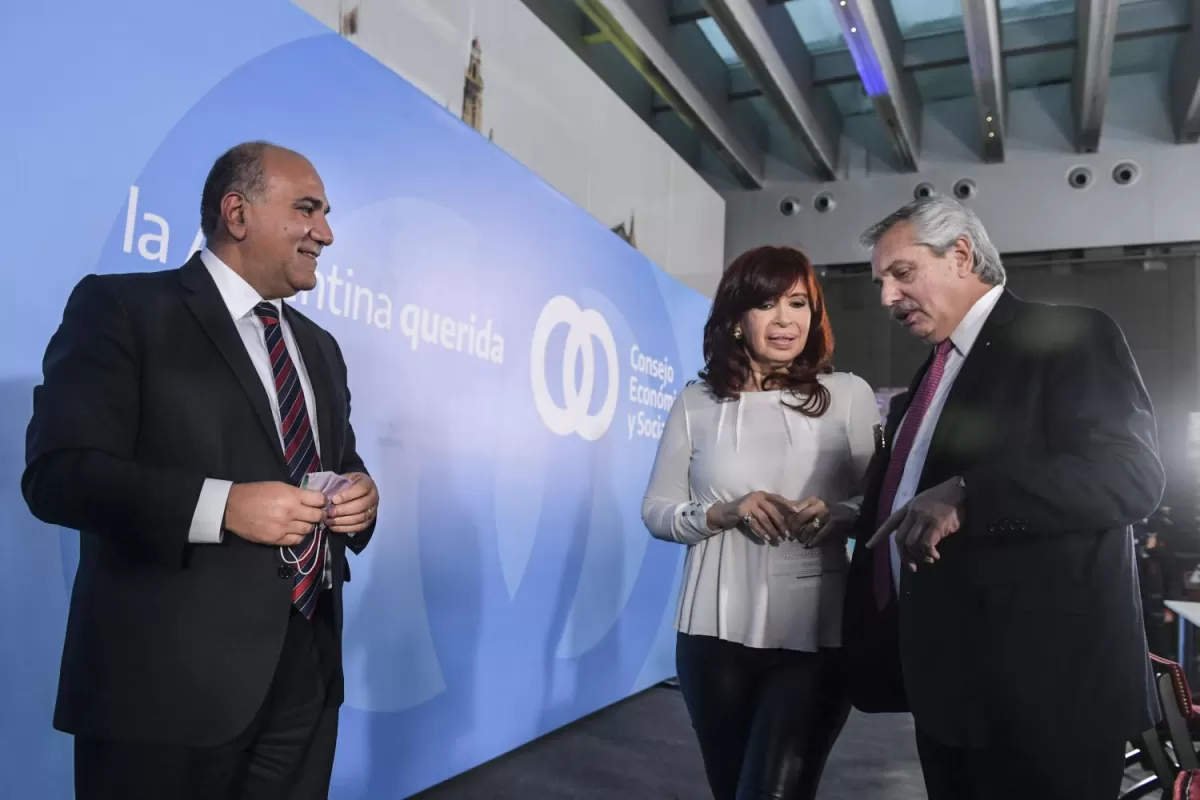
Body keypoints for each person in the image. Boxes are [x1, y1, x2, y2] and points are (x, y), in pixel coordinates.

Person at [22, 141, 380, 799]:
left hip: (304, 682)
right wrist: (224, 506)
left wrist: (362, 495)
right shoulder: (121, 310)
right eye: (307, 210)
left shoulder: (322, 350)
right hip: (163, 696)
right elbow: (60, 473)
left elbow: (340, 461)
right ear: (237, 214)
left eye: (326, 213)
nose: (326, 233)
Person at [842, 194, 1163, 800]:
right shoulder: (930, 378)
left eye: (902, 274)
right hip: (952, 698)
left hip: (1046, 702)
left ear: (961, 256)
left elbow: (1131, 474)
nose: (886, 298)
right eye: (881, 282)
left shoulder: (1071, 335)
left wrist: (971, 492)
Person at [641, 246, 879, 800]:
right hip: (710, 637)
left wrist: (841, 513)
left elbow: (883, 503)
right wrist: (724, 511)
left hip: (816, 636)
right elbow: (656, 510)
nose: (785, 320)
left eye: (798, 303)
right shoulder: (695, 403)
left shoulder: (847, 395)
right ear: (734, 317)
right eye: (767, 304)